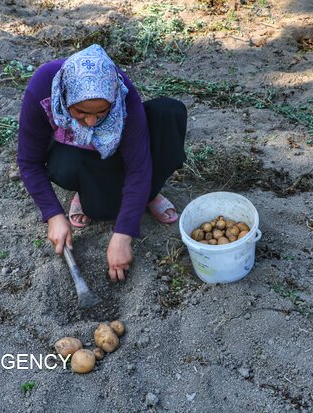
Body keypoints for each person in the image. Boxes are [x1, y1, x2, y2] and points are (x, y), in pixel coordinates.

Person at [17, 44, 187, 282]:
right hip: (74, 153)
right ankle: (84, 188)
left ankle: (151, 192)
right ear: (66, 96)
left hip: (116, 152)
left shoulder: (121, 92)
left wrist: (123, 235)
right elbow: (28, 162)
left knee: (168, 112)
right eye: (81, 112)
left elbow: (138, 167)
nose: (91, 121)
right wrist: (53, 215)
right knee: (102, 209)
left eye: (101, 113)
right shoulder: (43, 86)